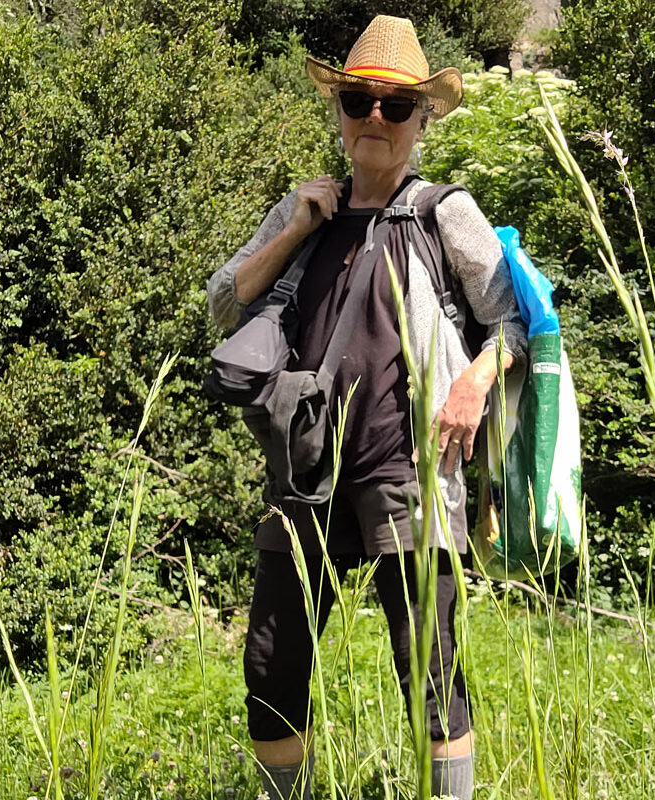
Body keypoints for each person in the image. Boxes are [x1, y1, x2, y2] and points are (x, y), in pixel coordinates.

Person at [206, 15, 526, 800]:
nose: (375, 117)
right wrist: (296, 229)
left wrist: (475, 382)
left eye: (395, 105)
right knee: (272, 665)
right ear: (340, 112)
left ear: (422, 119)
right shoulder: (303, 209)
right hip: (305, 467)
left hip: (410, 466)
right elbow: (223, 303)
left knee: (430, 665)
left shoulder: (444, 211)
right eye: (358, 101)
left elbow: (514, 323)